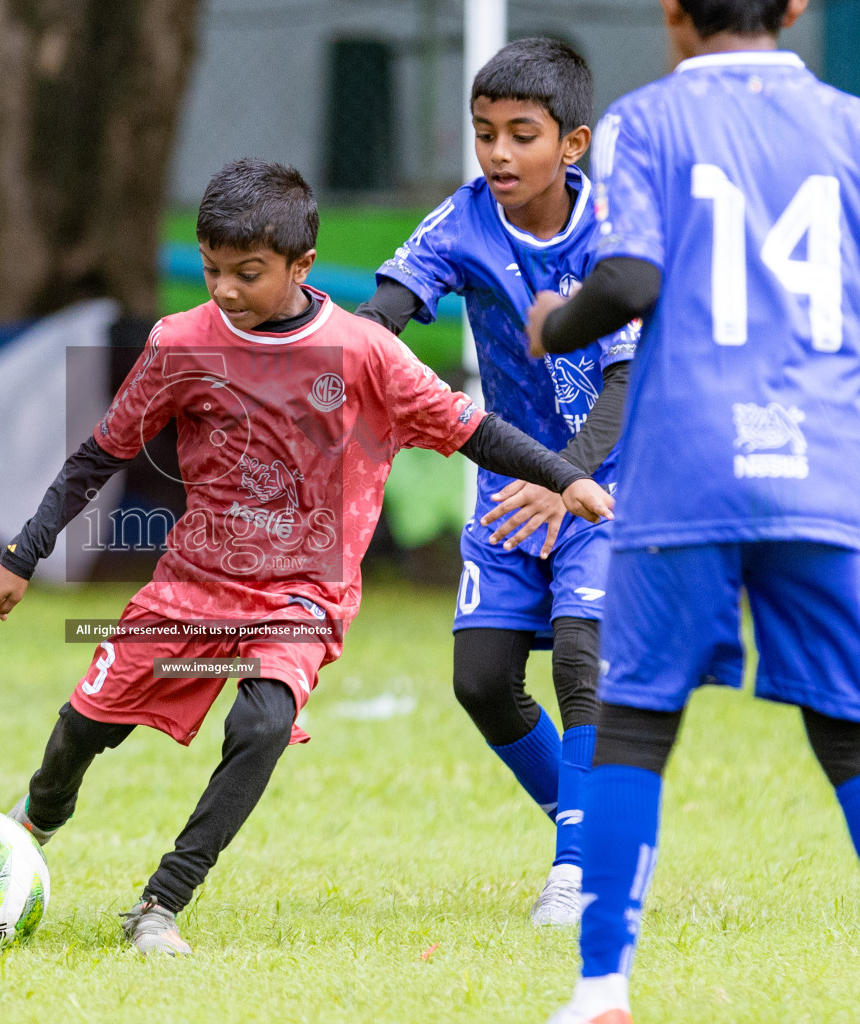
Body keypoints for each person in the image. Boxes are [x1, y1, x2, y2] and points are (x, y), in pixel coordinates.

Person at [0, 157, 616, 956]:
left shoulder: (365, 354)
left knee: (263, 720)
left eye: (247, 273)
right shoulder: (179, 342)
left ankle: (161, 902)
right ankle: (37, 817)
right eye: (210, 269)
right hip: (190, 591)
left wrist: (564, 475)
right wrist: (21, 557)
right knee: (83, 732)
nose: (225, 290)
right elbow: (99, 454)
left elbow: (470, 428)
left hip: (304, 594)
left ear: (302, 266)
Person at [522, 1, 860, 1021]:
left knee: (635, 724)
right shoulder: (856, 127)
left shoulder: (646, 123)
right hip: (818, 476)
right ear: (798, 7)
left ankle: (602, 989)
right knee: (854, 727)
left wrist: (557, 320)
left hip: (687, 474)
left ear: (673, 12)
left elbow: (630, 276)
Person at [356, 38, 636, 926]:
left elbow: (629, 383)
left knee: (583, 660)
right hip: (509, 487)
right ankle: (600, 835)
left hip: (606, 484)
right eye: (485, 134)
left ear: (573, 144)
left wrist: (568, 481)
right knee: (481, 680)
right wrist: (343, 383)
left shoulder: (619, 230)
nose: (500, 154)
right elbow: (383, 319)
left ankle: (577, 870)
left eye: (523, 134)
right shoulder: (462, 221)